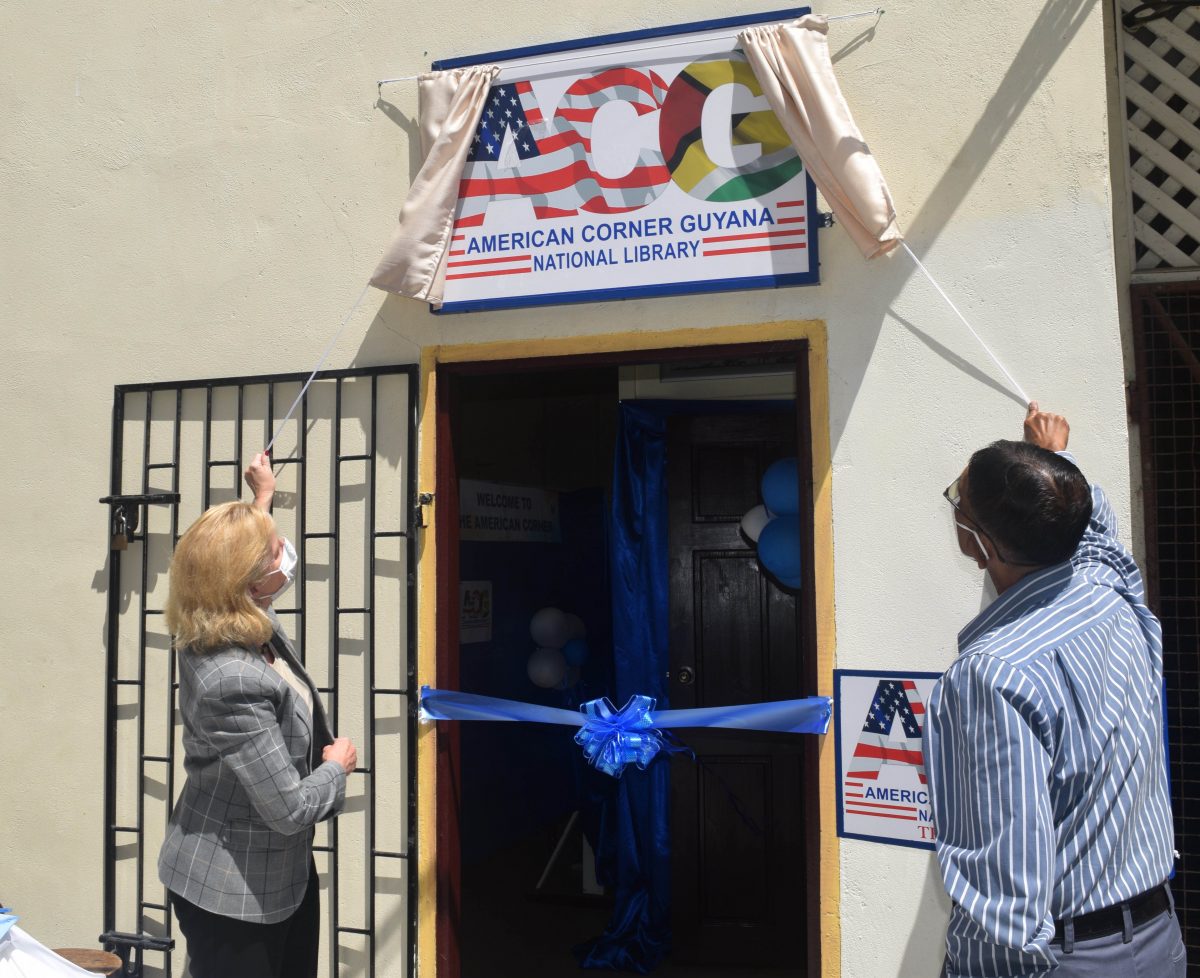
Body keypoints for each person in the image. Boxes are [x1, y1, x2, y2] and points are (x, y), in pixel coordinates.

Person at [924, 403, 1184, 978]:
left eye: (956, 500)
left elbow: (1004, 899)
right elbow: (1096, 529)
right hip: (1160, 941)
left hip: (1069, 961)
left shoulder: (991, 676)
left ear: (977, 542)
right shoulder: (1111, 591)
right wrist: (1053, 459)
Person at [157, 452, 357, 978]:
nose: (284, 557)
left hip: (280, 873)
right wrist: (337, 766)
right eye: (274, 553)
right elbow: (289, 809)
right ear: (246, 581)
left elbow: (231, 557)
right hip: (234, 893)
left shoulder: (221, 616)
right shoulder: (232, 679)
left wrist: (261, 497)